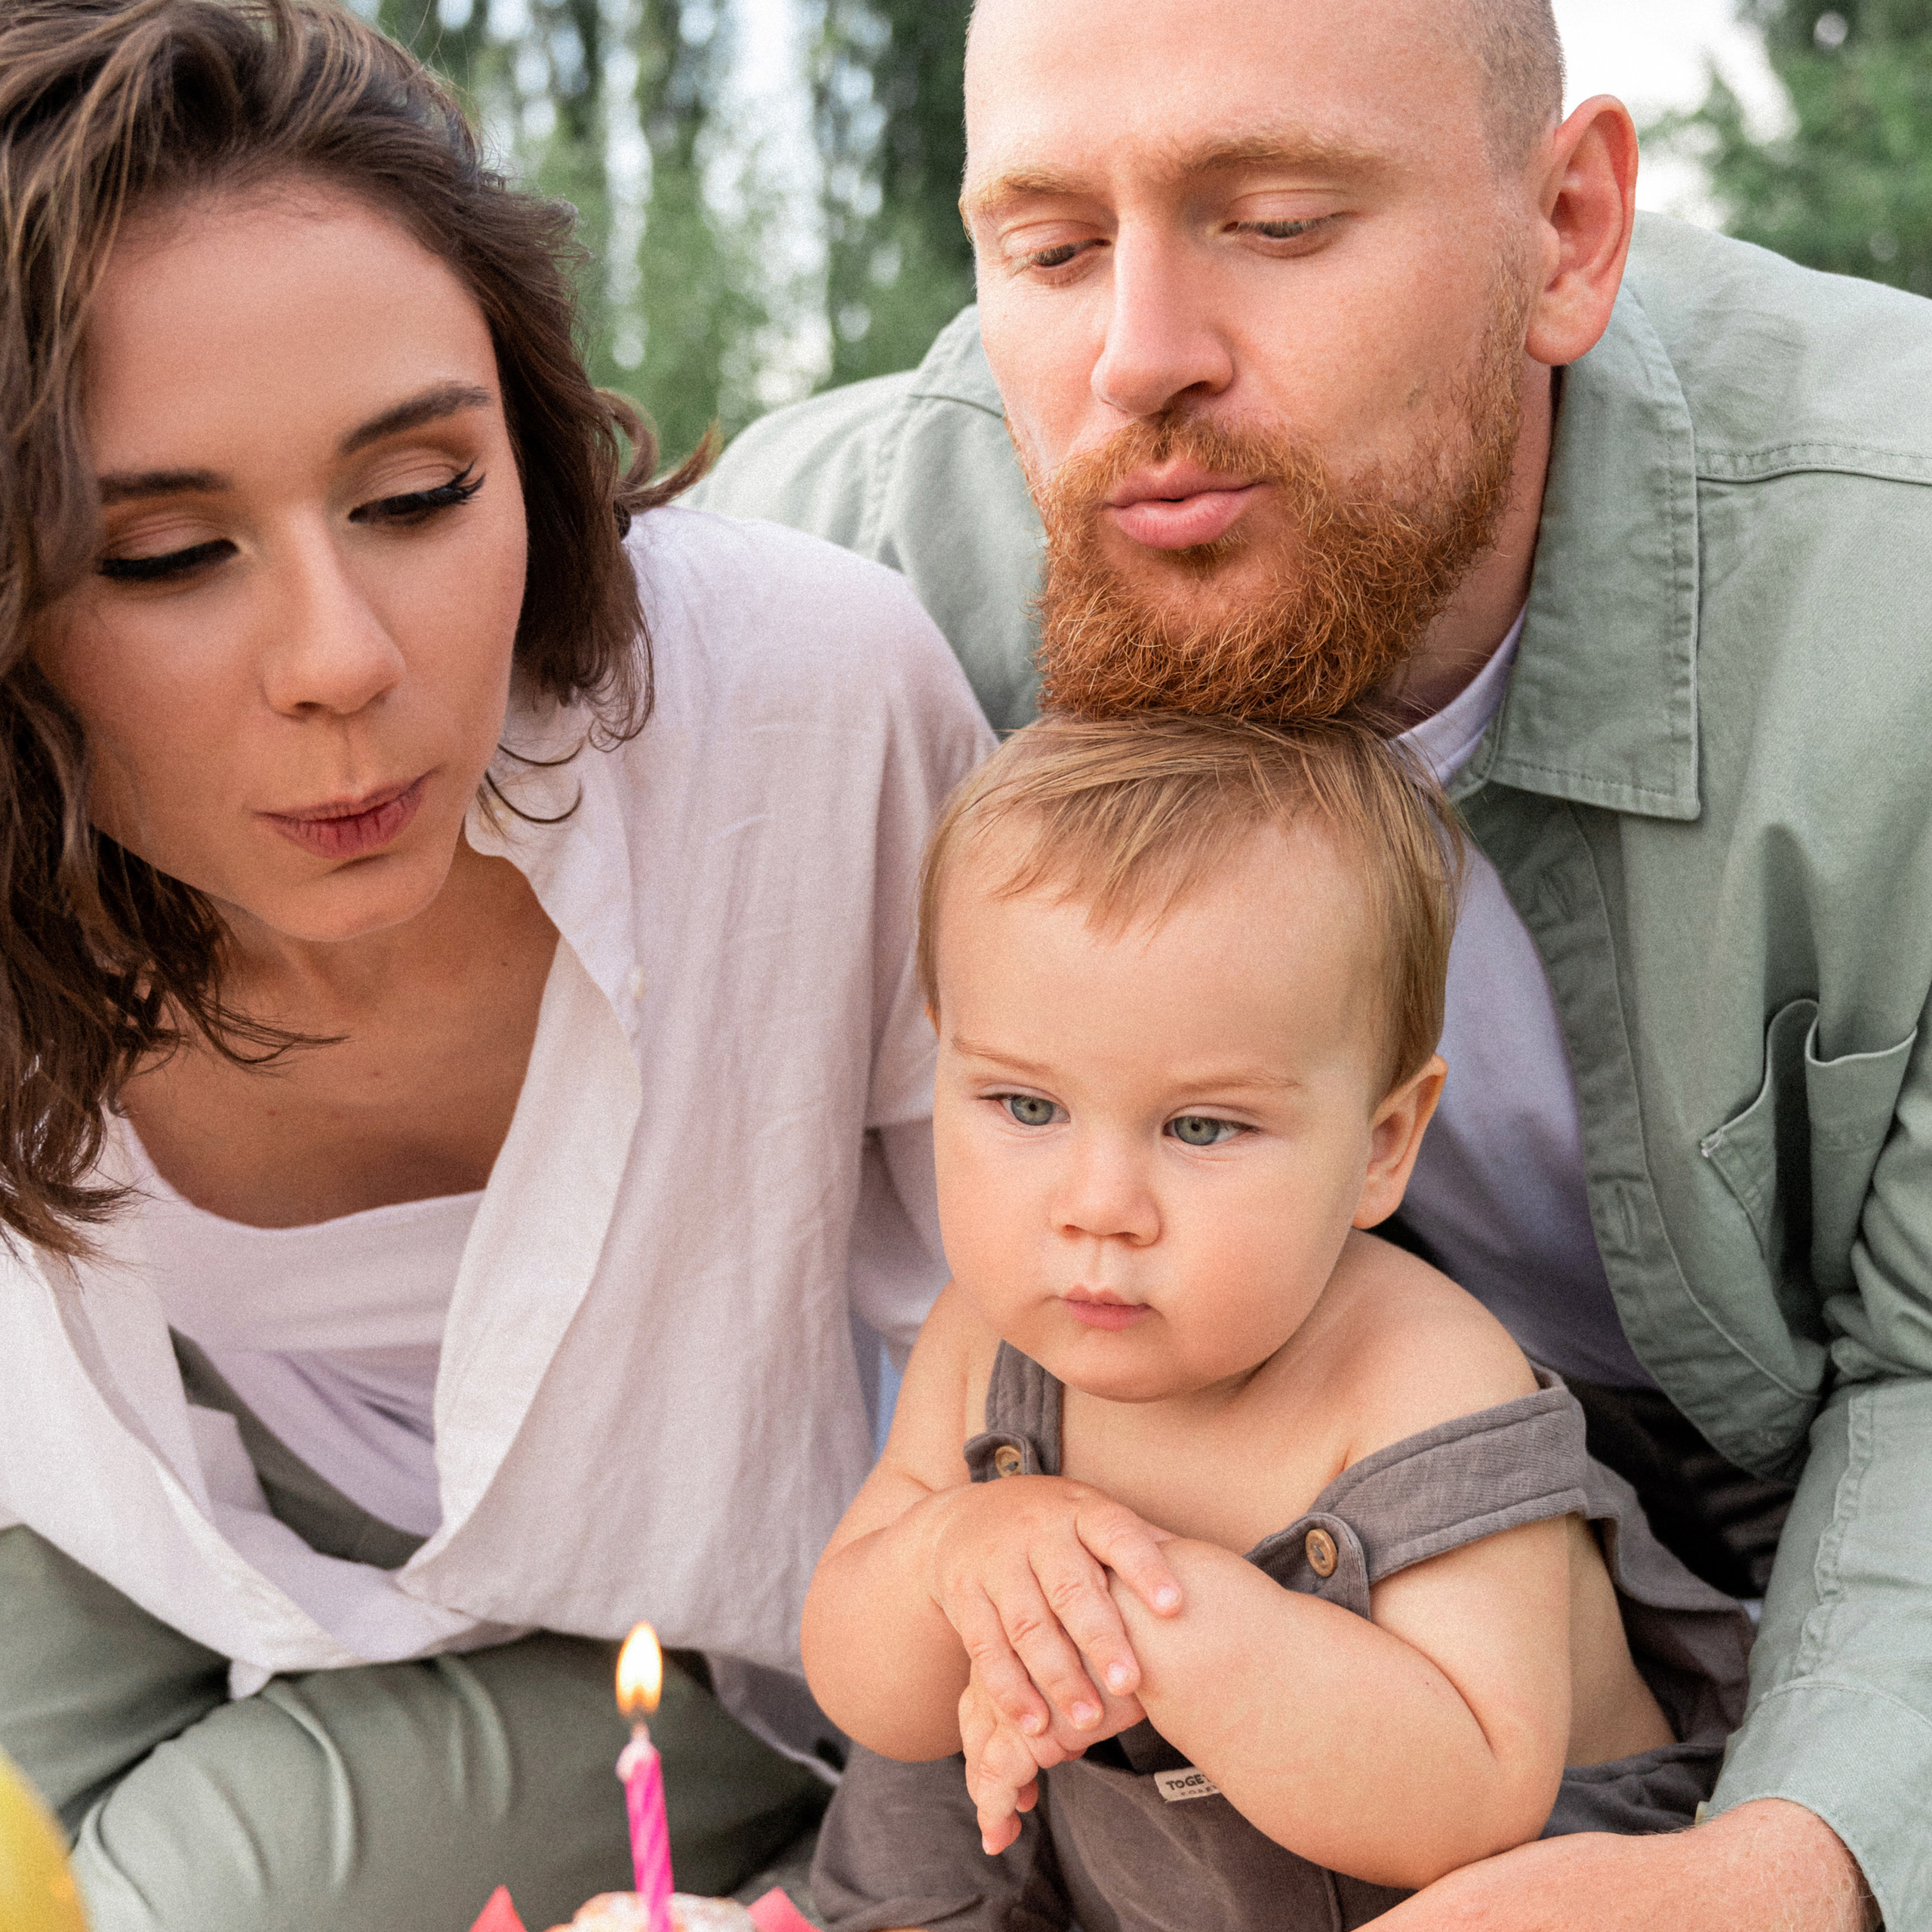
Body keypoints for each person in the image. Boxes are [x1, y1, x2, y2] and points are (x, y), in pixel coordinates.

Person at [692, 1, 1932, 1925]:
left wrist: (1797, 1868)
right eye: (1045, 247)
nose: (1136, 359)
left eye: (1271, 221)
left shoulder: (1896, 588)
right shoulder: (839, 592)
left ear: (1570, 229)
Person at [0, 4, 990, 1929]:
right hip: (92, 1528)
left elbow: (1068, 1322)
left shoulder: (798, 713)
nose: (343, 657)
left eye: (416, 496)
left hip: (662, 1619)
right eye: (168, 552)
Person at [800, 714, 1752, 1931]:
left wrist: (1139, 1608)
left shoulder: (1423, 1380)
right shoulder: (988, 1344)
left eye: (1201, 1128)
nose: (1099, 1210)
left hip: (1502, 1892)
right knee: (926, 1726)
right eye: (1026, 1104)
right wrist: (956, 1555)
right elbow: (863, 1683)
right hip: (1163, 1889)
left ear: (1382, 1147)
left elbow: (1466, 1799)